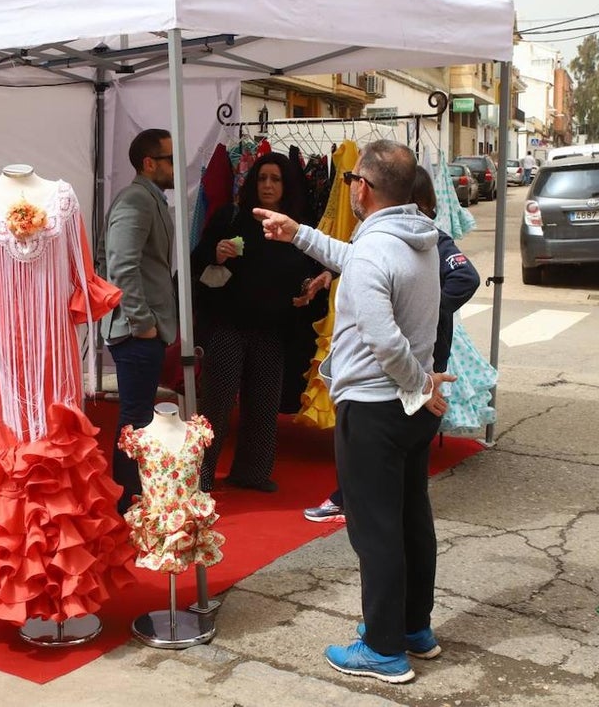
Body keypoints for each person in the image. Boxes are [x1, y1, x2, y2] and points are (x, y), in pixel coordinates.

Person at [254, 139, 456, 684]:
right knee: (410, 519)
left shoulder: (377, 249)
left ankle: (384, 649)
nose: (348, 187)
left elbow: (384, 340)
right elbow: (358, 263)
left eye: (349, 180)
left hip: (376, 407)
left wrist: (418, 385)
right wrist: (298, 232)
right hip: (406, 409)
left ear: (362, 187)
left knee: (376, 531)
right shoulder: (416, 237)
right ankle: (413, 628)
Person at [303, 164, 480, 524]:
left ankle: (360, 499)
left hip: (406, 370)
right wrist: (306, 243)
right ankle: (361, 497)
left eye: (355, 181)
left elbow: (465, 276)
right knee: (404, 498)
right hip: (399, 373)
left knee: (384, 498)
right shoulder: (382, 241)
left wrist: (430, 308)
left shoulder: (430, 240)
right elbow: (354, 258)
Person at [190, 152, 327, 493]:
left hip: (273, 328)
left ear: (286, 185)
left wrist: (307, 289)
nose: (268, 185)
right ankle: (201, 475)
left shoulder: (297, 226)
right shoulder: (232, 217)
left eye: (275, 179)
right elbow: (196, 260)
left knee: (264, 404)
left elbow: (308, 271)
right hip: (228, 324)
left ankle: (252, 472)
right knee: (217, 403)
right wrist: (216, 253)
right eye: (263, 178)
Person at [102, 129, 179, 513]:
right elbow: (121, 265)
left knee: (140, 415)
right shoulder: (136, 199)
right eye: (169, 159)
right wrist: (142, 322)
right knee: (135, 418)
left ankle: (133, 495)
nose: (175, 167)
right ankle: (127, 499)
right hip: (135, 332)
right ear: (150, 163)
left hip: (144, 330)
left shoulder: (149, 198)